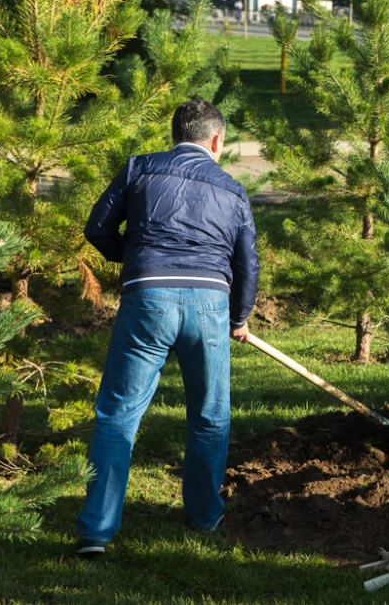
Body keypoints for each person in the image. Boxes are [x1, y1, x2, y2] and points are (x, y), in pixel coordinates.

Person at [76, 99, 260, 556]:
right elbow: (247, 265)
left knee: (118, 415)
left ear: (175, 133)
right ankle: (204, 516)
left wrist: (135, 258)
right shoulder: (233, 190)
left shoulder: (140, 167)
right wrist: (239, 318)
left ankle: (96, 533)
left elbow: (97, 227)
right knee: (210, 417)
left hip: (147, 298)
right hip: (209, 308)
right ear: (216, 141)